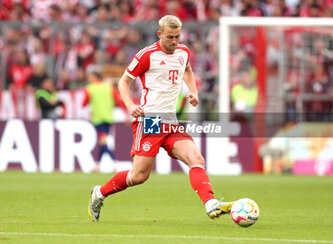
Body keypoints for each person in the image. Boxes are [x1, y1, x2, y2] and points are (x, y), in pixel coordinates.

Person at [88, 15, 235, 222]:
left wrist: (193, 91)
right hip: (150, 121)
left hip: (171, 122)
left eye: (177, 37)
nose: (174, 42)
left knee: (196, 159)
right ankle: (99, 193)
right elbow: (123, 83)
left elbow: (188, 70)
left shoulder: (183, 52)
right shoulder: (147, 55)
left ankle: (211, 203)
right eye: (169, 37)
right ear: (160, 34)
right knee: (139, 176)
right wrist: (131, 105)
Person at [82, 67, 128, 172]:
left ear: (94, 77)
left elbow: (84, 103)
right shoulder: (109, 87)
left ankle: (115, 162)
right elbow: (119, 101)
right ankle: (97, 165)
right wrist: (125, 113)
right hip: (108, 117)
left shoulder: (90, 88)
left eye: (90, 77)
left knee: (103, 142)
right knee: (102, 142)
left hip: (98, 118)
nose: (89, 79)